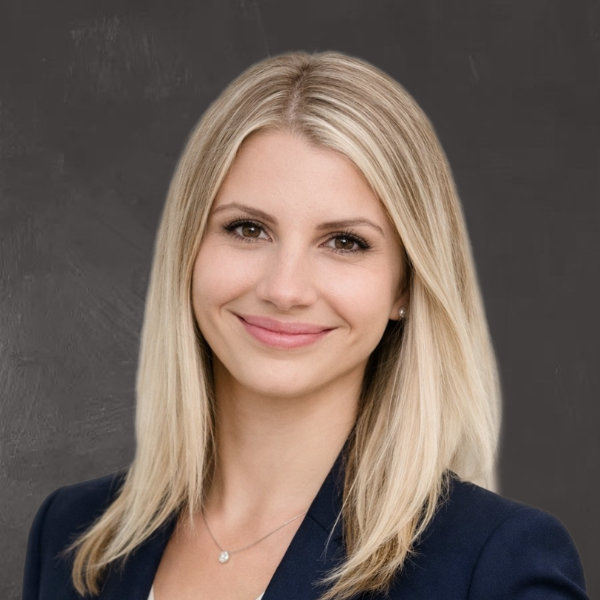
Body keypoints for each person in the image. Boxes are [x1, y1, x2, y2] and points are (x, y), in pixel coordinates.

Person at [22, 51, 588, 600]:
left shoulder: (496, 565)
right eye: (247, 229)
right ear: (187, 251)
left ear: (406, 286)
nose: (284, 289)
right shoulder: (71, 537)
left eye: (345, 242)